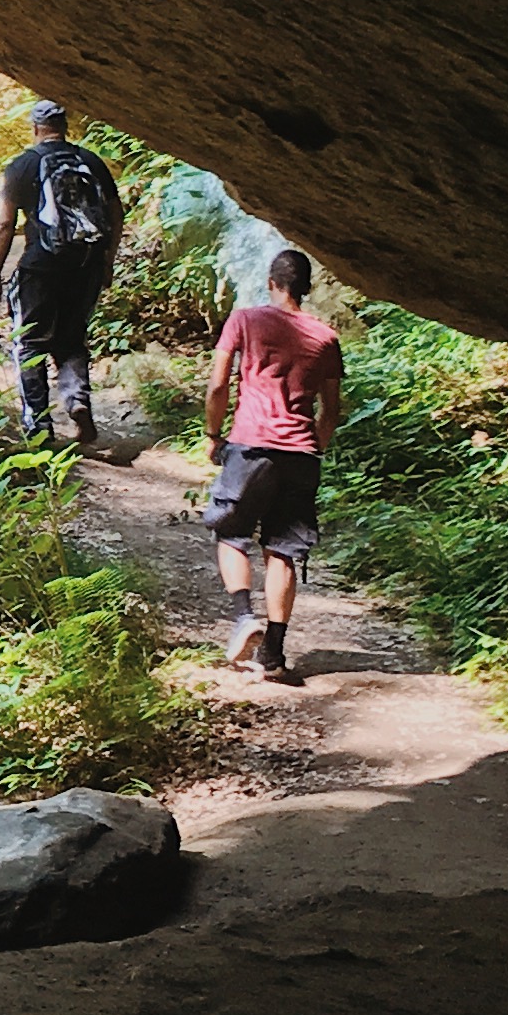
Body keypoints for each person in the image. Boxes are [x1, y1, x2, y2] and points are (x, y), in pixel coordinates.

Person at [202, 246, 346, 688]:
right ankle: (275, 653)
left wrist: (213, 435)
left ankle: (245, 617)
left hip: (251, 445)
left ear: (271, 283)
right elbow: (332, 409)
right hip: (300, 454)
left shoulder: (245, 320)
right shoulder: (325, 337)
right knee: (283, 548)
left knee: (230, 532)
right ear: (308, 287)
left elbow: (219, 383)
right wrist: (313, 447)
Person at [0, 98, 123, 446]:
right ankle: (77, 402)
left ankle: (39, 429)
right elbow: (115, 213)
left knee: (30, 343)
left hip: (41, 267)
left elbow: (4, 224)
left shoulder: (23, 165)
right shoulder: (90, 161)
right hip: (85, 262)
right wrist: (106, 261)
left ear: (34, 129)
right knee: (72, 340)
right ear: (66, 127)